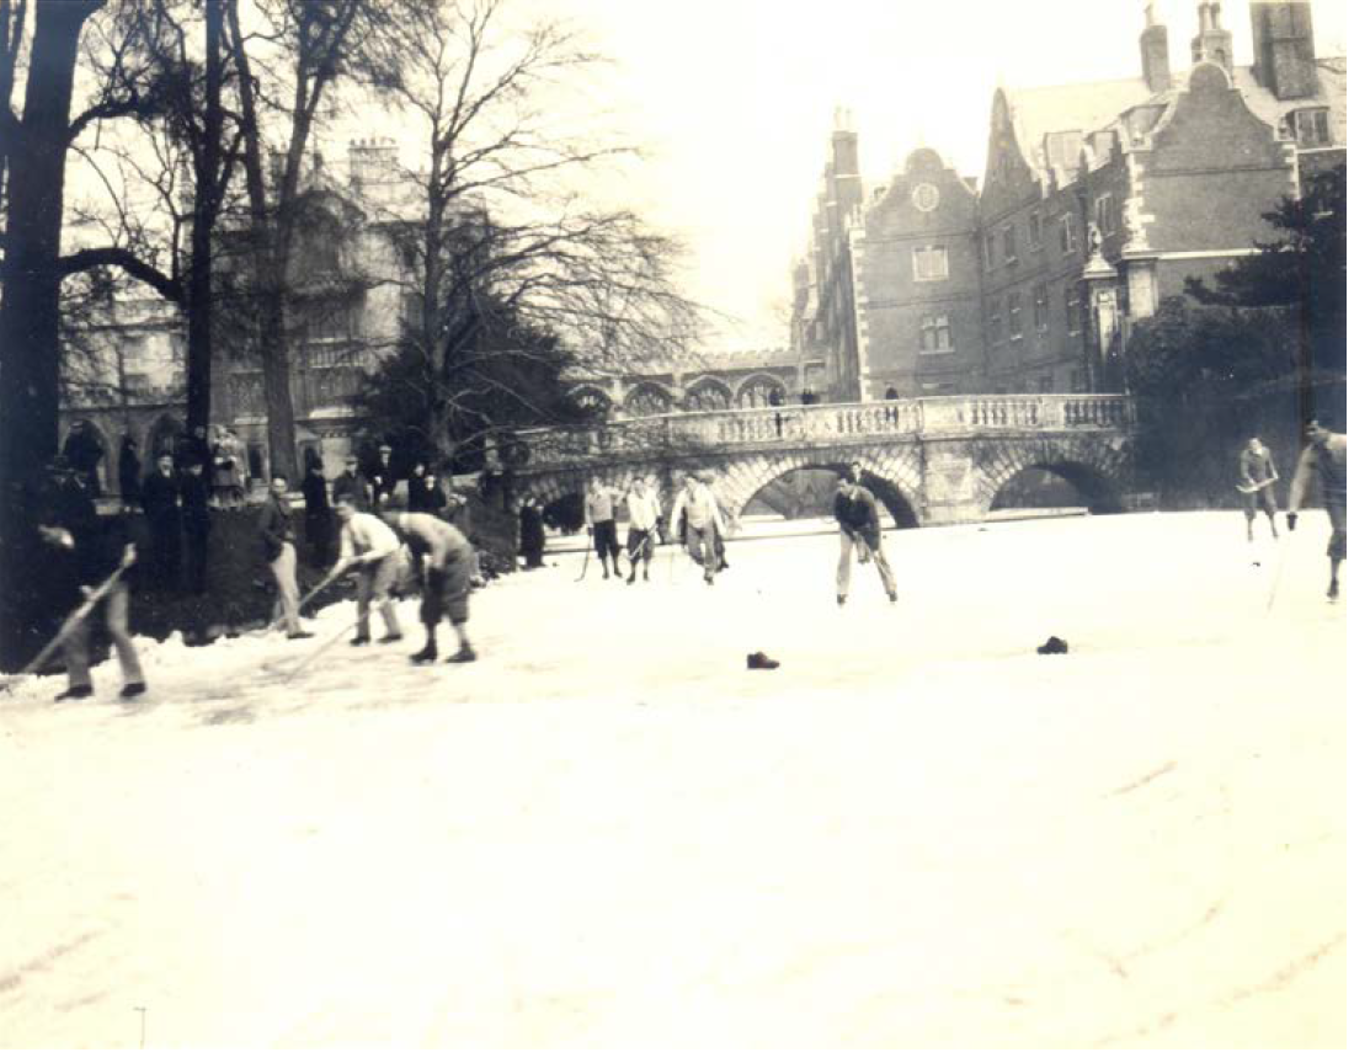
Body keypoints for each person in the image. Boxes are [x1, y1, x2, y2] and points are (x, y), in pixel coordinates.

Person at [37, 460, 146, 701]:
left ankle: (135, 680)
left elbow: (121, 525)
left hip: (115, 579)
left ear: (57, 529)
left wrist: (129, 547)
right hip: (90, 586)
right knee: (72, 630)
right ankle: (80, 685)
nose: (45, 539)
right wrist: (84, 588)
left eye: (47, 534)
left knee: (116, 626)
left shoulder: (88, 530)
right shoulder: (59, 549)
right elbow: (70, 573)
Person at [380, 503, 477, 663]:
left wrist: (436, 570)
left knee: (453, 599)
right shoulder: (405, 532)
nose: (384, 521)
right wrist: (400, 588)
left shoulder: (415, 521)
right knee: (429, 602)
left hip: (457, 555)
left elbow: (438, 544)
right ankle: (430, 647)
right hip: (441, 559)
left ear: (394, 512)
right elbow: (416, 563)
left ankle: (466, 648)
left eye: (385, 515)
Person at [332, 492, 405, 645]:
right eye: (338, 510)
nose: (340, 513)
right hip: (370, 557)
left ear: (352, 507)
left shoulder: (366, 521)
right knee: (362, 594)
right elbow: (346, 554)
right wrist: (337, 569)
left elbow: (381, 548)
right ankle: (363, 635)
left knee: (379, 590)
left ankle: (394, 632)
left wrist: (359, 559)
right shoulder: (345, 529)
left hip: (388, 553)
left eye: (343, 509)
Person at [1287, 420, 1346, 601]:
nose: (1310, 434)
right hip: (1333, 497)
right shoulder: (1310, 454)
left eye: (1314, 430)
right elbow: (1299, 481)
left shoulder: (1343, 443)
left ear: (1326, 429)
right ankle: (1334, 579)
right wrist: (1292, 510)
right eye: (1308, 431)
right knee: (1341, 531)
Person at [256, 475, 313, 639]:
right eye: (276, 486)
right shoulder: (270, 505)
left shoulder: (284, 502)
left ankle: (277, 624)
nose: (279, 489)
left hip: (287, 548)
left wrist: (291, 533)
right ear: (272, 487)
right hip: (278, 551)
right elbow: (262, 529)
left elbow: (288, 523)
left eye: (282, 486)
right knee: (290, 591)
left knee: (284, 589)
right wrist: (279, 543)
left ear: (286, 487)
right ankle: (294, 630)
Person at [834, 474, 897, 606]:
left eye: (843, 486)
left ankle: (891, 588)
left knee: (879, 556)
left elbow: (874, 521)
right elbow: (839, 517)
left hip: (867, 527)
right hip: (848, 528)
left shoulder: (866, 496)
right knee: (844, 555)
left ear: (852, 485)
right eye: (839, 486)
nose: (841, 490)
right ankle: (841, 592)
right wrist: (852, 531)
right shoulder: (839, 497)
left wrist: (874, 545)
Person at [669, 472, 726, 585]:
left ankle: (709, 572)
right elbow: (676, 511)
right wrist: (672, 528)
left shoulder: (705, 493)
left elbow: (714, 509)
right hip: (692, 524)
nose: (688, 485)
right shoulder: (683, 495)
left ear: (697, 483)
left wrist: (720, 527)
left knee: (709, 548)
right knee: (693, 551)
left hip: (706, 522)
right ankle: (706, 565)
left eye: (691, 483)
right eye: (686, 483)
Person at [140, 452, 182, 589]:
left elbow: (180, 493)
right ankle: (158, 577)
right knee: (159, 545)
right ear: (158, 462)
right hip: (158, 517)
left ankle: (173, 575)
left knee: (174, 545)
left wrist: (179, 502)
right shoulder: (152, 478)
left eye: (169, 460)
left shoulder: (176, 476)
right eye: (163, 460)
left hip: (173, 516)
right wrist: (152, 513)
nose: (166, 463)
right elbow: (144, 498)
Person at [1237, 436, 1279, 542]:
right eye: (1251, 445)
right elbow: (1244, 471)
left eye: (1256, 444)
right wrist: (1250, 480)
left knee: (1270, 504)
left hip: (1264, 481)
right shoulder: (1245, 455)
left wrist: (1274, 472)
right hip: (1250, 483)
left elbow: (1270, 464)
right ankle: (1249, 531)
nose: (1254, 446)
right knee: (1251, 507)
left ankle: (1273, 527)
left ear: (1260, 444)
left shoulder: (1266, 451)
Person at [180, 460, 212, 594]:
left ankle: (197, 584)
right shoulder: (191, 482)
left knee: (197, 553)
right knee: (197, 554)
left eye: (199, 466)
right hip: (195, 521)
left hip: (198, 521)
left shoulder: (196, 480)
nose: (199, 469)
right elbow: (192, 503)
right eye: (196, 467)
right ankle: (197, 585)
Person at [583, 478, 623, 580]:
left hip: (609, 522)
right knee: (601, 548)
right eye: (592, 484)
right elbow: (587, 513)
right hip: (598, 524)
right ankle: (605, 571)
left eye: (595, 484)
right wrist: (589, 526)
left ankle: (616, 568)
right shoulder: (588, 497)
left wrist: (616, 505)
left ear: (601, 484)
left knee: (614, 545)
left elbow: (621, 494)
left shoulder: (608, 491)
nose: (593, 486)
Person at [624, 476, 661, 584]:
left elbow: (656, 504)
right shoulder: (630, 497)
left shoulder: (651, 493)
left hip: (650, 526)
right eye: (635, 485)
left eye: (639, 484)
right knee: (633, 551)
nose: (637, 487)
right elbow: (633, 513)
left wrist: (659, 515)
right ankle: (633, 573)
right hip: (635, 528)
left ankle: (645, 571)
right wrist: (641, 527)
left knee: (648, 551)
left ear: (643, 484)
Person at [301, 451, 333, 568]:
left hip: (323, 513)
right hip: (314, 514)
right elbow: (309, 499)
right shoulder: (308, 481)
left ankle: (322, 561)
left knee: (324, 539)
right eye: (318, 469)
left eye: (321, 469)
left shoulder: (321, 479)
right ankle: (319, 562)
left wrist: (326, 511)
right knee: (318, 540)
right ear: (313, 469)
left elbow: (324, 497)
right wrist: (313, 514)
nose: (320, 471)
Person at [62, 420, 105, 496]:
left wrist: (91, 461)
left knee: (89, 491)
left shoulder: (89, 439)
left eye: (78, 428)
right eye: (74, 428)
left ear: (82, 429)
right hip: (75, 467)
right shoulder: (69, 440)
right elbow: (65, 454)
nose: (76, 430)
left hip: (87, 469)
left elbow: (99, 452)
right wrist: (68, 464)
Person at [518, 495, 546, 570]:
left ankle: (537, 562)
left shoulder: (533, 512)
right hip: (530, 533)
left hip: (535, 533)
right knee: (531, 547)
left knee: (538, 546)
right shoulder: (527, 511)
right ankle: (532, 562)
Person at [118, 435, 141, 510]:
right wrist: (137, 465)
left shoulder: (128, 454)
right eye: (131, 446)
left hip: (128, 477)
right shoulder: (126, 454)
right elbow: (129, 465)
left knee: (131, 491)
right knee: (130, 491)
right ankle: (129, 505)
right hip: (128, 477)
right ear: (128, 446)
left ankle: (130, 505)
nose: (133, 447)